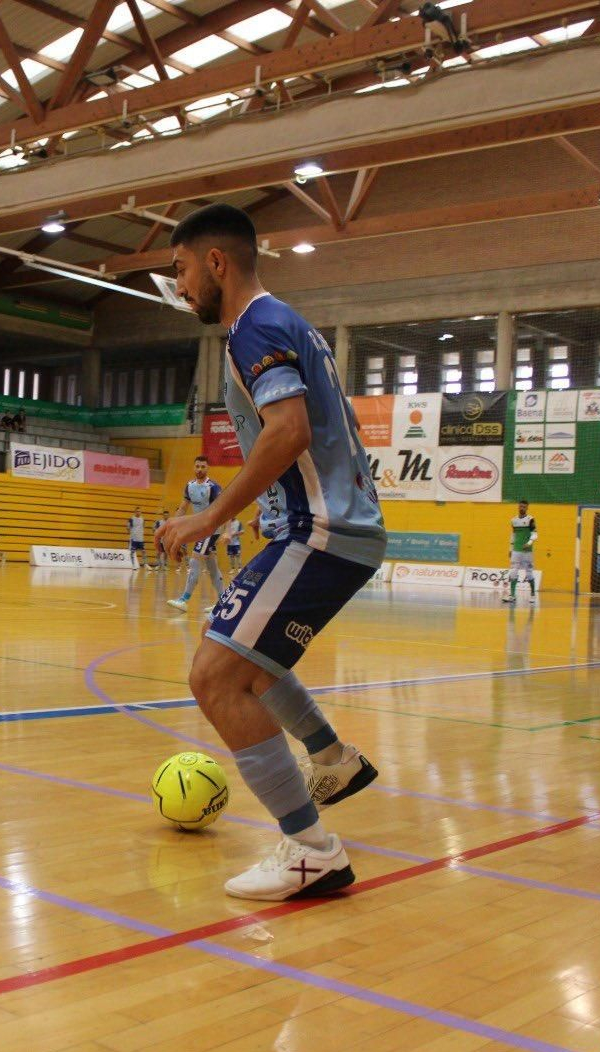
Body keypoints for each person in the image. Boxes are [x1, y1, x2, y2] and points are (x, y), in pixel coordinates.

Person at [155, 203, 386, 901]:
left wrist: (211, 517)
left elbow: (286, 432)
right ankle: (331, 757)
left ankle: (312, 849)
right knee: (240, 655)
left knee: (215, 678)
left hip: (323, 531)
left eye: (183, 269)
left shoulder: (254, 326)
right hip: (321, 525)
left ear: (216, 262)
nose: (182, 284)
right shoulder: (286, 322)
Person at [166, 456, 228, 612]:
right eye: (197, 466)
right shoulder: (189, 486)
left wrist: (227, 531)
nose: (200, 469)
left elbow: (224, 509)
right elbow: (182, 508)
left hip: (211, 529)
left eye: (203, 467)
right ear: (194, 468)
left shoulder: (213, 487)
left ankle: (184, 600)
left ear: (207, 469)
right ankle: (224, 601)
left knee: (194, 561)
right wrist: (172, 527)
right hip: (199, 530)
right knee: (212, 566)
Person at [504, 499, 538, 604]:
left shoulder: (530, 519)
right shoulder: (513, 520)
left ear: (527, 508)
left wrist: (529, 543)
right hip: (516, 551)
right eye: (520, 506)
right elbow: (513, 535)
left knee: (529, 573)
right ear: (518, 507)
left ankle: (532, 595)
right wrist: (510, 548)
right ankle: (512, 595)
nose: (521, 508)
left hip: (527, 551)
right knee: (513, 571)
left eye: (524, 507)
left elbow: (535, 534)